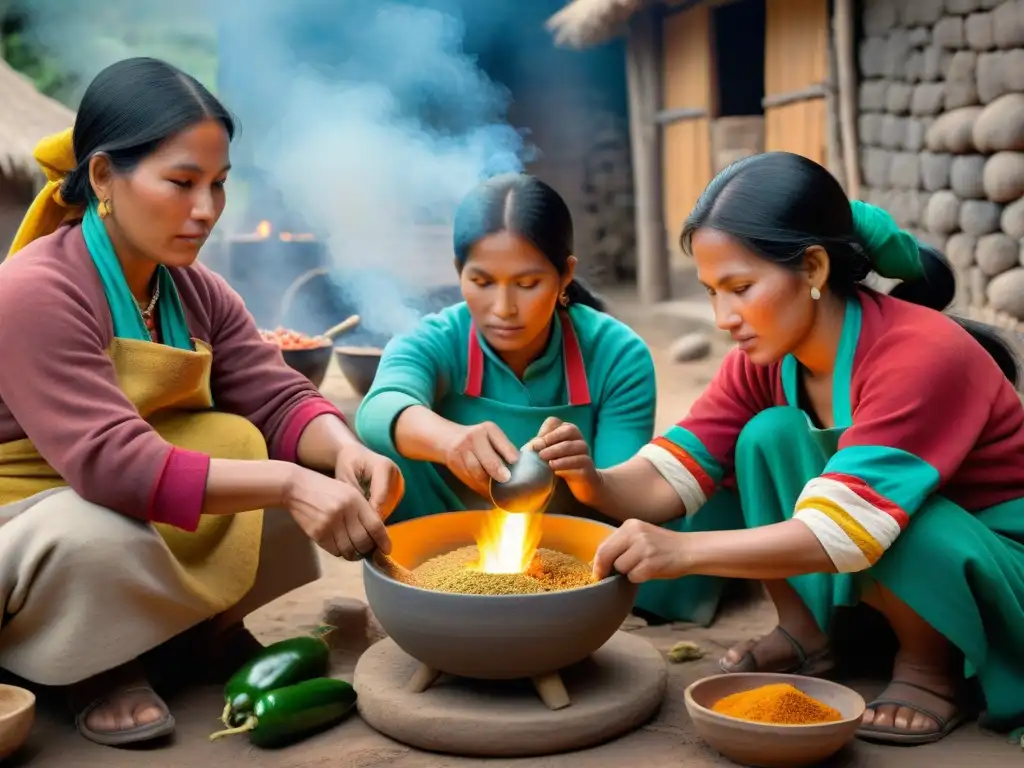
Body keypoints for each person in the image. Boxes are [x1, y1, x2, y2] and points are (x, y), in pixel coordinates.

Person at [530, 151, 1024, 746]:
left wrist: (684, 552)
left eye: (740, 288)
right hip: (881, 567)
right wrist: (591, 480)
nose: (722, 317)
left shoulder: (920, 355)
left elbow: (848, 530)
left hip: (995, 571)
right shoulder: (767, 358)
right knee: (768, 435)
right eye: (712, 291)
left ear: (812, 268)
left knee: (891, 518)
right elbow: (672, 470)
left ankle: (929, 670)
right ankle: (806, 631)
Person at [0, 57, 403, 748]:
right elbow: (109, 465)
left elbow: (275, 397)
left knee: (246, 442)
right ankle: (95, 663)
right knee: (102, 530)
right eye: (182, 183)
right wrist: (289, 481)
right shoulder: (34, 290)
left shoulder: (194, 290)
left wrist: (343, 451)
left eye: (218, 185)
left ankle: (196, 630)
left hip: (126, 494)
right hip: (30, 516)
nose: (207, 210)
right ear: (103, 177)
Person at [355, 173, 663, 524]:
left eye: (528, 283)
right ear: (459, 272)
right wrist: (450, 440)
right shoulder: (436, 339)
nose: (503, 307)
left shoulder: (616, 355)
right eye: (482, 282)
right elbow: (376, 411)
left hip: (574, 551)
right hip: (438, 545)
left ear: (565, 275)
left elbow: (626, 495)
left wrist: (590, 477)